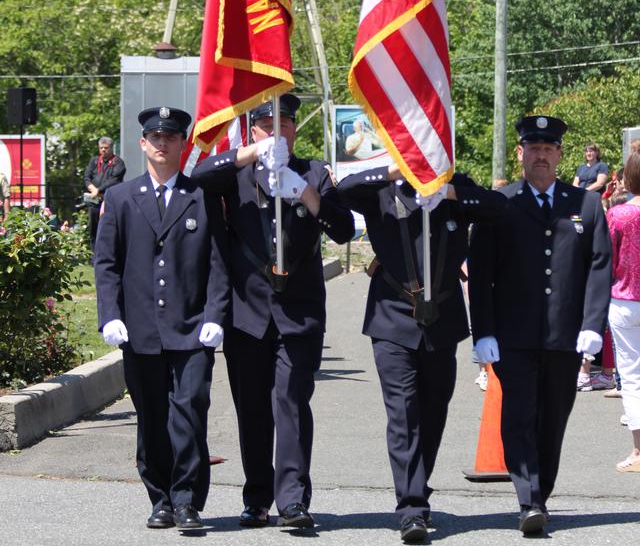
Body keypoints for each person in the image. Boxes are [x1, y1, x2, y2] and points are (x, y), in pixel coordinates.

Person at [191, 93, 355, 530]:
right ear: (253, 129)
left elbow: (343, 228)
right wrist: (250, 154)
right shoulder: (237, 176)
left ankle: (293, 500)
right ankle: (257, 496)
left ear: (295, 130)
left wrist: (304, 193)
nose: (277, 131)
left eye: (285, 124)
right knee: (252, 409)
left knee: (292, 402)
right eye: (267, 125)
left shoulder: (314, 172)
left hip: (298, 310)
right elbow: (199, 173)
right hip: (247, 312)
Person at [467, 115, 612, 536]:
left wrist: (592, 324)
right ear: (521, 154)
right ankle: (529, 498)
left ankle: (540, 493)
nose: (542, 156)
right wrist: (485, 331)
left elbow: (600, 265)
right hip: (513, 335)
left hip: (566, 336)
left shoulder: (584, 204)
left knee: (553, 419)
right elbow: (481, 271)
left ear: (560, 155)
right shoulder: (502, 204)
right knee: (518, 416)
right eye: (534, 149)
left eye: (549, 149)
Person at [94, 107, 229, 531]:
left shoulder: (203, 196)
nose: (162, 144)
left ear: (182, 143)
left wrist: (215, 313)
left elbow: (219, 262)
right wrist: (109, 316)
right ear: (142, 144)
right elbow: (106, 264)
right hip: (139, 330)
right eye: (154, 137)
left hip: (191, 329)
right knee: (151, 415)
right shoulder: (120, 197)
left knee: (189, 411)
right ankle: (160, 498)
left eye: (170, 137)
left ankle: (188, 499)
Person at [337, 163, 478, 544]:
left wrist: (449, 193)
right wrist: (391, 170)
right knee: (403, 412)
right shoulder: (382, 191)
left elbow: (495, 207)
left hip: (442, 318)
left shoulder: (454, 187)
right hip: (392, 317)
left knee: (433, 412)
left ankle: (418, 483)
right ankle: (411, 506)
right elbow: (346, 188)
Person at [606, 150, 640, 472]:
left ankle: (639, 451)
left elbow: (606, 258)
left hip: (626, 299)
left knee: (631, 378)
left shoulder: (618, 215)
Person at [83, 136, 126, 250]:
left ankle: (109, 254)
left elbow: (115, 179)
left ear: (111, 148)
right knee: (93, 230)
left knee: (109, 228)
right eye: (101, 147)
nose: (103, 150)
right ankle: (95, 257)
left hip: (109, 200)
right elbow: (87, 176)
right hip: (94, 201)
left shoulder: (118, 162)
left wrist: (99, 189)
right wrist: (91, 187)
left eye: (106, 148)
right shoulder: (94, 161)